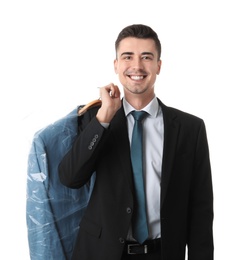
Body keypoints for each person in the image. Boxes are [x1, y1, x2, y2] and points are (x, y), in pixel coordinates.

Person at [58, 24, 214, 260]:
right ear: (116, 65)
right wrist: (104, 120)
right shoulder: (94, 119)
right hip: (102, 253)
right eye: (128, 57)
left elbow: (201, 208)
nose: (137, 66)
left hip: (163, 253)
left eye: (147, 57)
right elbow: (70, 178)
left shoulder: (190, 129)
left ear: (159, 66)